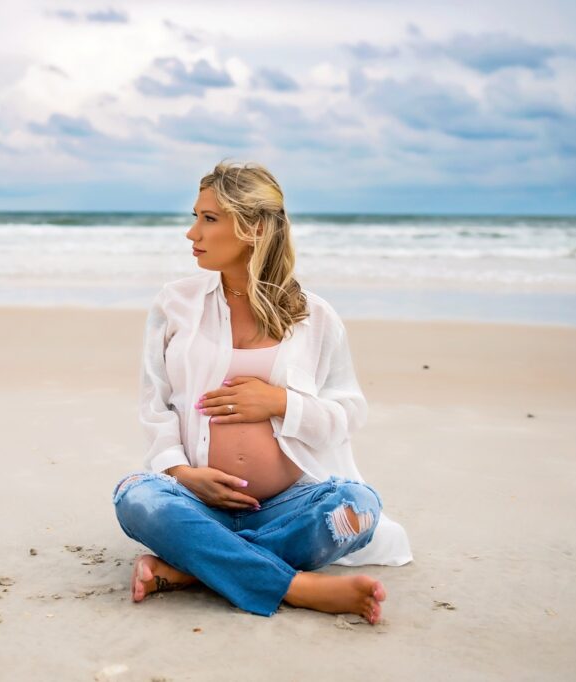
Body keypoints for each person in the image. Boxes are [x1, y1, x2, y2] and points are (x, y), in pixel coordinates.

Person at [112, 161, 412, 622]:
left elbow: (349, 412)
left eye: (208, 219)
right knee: (136, 496)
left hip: (288, 507)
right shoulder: (175, 304)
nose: (192, 233)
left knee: (359, 507)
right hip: (195, 502)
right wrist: (182, 473)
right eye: (195, 217)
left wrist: (281, 404)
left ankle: (195, 569)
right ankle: (296, 586)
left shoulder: (315, 316)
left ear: (253, 227)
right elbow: (155, 403)